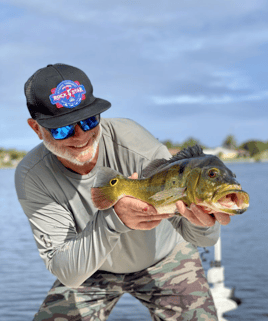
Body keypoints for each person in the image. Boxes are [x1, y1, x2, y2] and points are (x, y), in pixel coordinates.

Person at [15, 63, 229, 321]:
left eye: (89, 119)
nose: (81, 135)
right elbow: (69, 273)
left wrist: (206, 224)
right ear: (36, 128)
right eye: (62, 128)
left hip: (166, 259)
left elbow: (202, 239)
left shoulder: (137, 143)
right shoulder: (32, 176)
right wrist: (114, 220)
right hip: (90, 269)